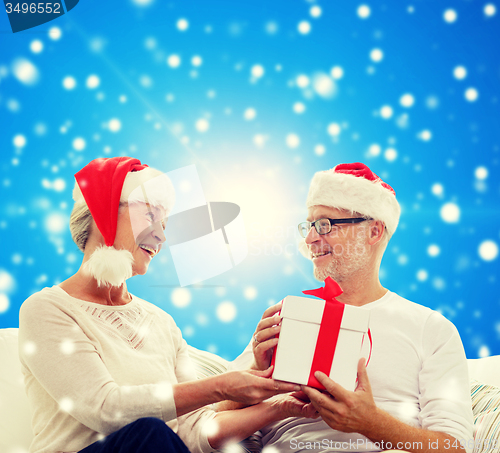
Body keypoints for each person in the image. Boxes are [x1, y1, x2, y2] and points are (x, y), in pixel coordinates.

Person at [18, 157, 318, 453]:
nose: (161, 236)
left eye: (163, 223)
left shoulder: (161, 322)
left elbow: (191, 429)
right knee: (149, 431)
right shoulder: (46, 309)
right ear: (103, 211)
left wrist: (282, 408)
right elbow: (106, 410)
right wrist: (221, 386)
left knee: (156, 434)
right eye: (150, 216)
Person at [229, 162, 474, 453]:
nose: (309, 239)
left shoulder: (431, 329)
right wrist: (258, 369)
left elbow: (456, 448)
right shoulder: (286, 318)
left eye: (325, 224)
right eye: (308, 226)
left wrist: (369, 422)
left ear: (373, 231)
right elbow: (212, 419)